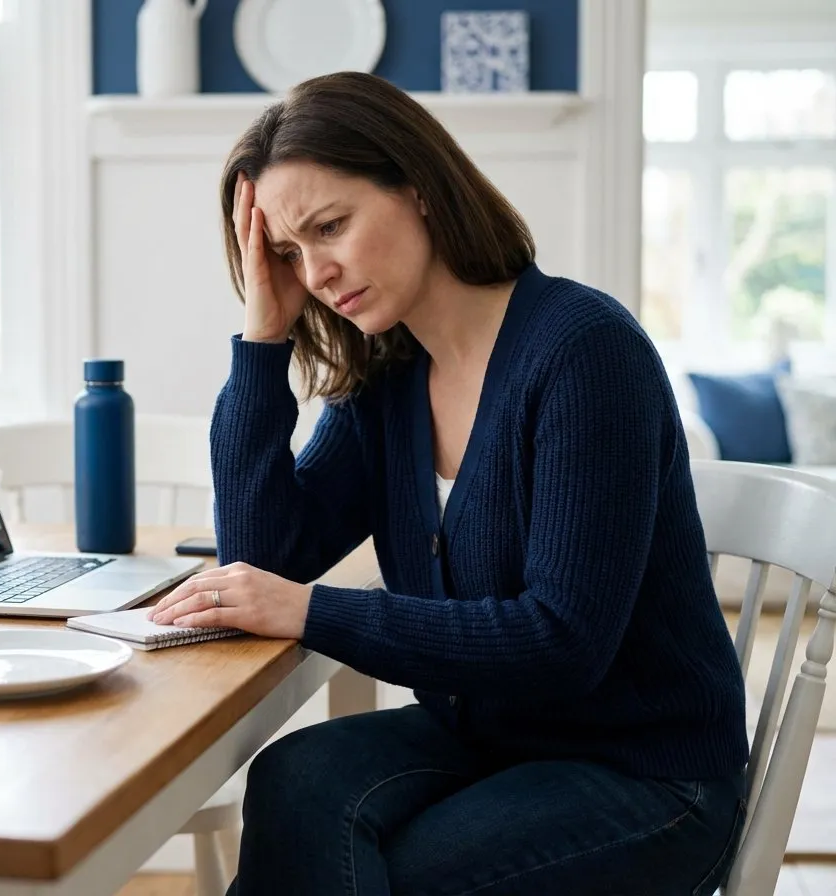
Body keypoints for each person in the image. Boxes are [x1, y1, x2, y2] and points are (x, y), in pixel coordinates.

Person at [147, 71, 749, 896]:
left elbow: (563, 642)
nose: (316, 272)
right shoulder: (389, 372)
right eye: (290, 252)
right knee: (296, 778)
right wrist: (264, 336)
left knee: (390, 873)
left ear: (420, 188)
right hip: (487, 739)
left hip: (647, 775)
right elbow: (265, 555)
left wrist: (313, 610)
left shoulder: (584, 353)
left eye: (332, 227)